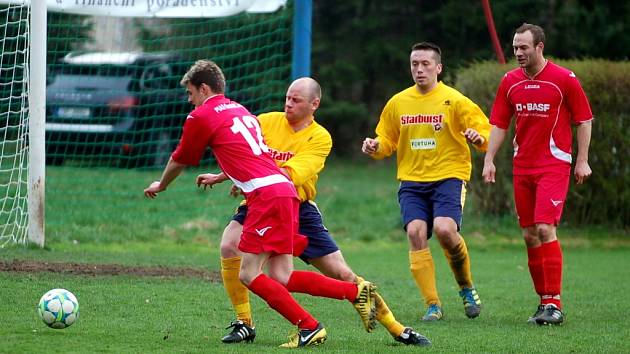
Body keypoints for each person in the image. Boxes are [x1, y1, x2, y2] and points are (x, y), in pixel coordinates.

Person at [143, 60, 377, 348]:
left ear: (204, 89)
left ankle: (309, 326)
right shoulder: (239, 110)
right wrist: (223, 176)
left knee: (248, 273)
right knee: (281, 275)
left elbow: (180, 158)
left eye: (190, 93)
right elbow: (254, 155)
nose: (189, 101)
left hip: (266, 197)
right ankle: (355, 292)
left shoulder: (201, 116)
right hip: (283, 193)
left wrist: (161, 184)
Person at [197, 77, 431, 346]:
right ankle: (244, 322)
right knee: (230, 245)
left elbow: (292, 174)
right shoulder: (266, 121)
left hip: (299, 207)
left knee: (340, 273)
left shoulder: (320, 137)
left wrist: (253, 178)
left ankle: (397, 328)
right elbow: (245, 153)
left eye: (295, 100)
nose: (288, 104)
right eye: (287, 98)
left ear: (314, 104)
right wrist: (223, 175)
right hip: (261, 202)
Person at [361, 42, 490, 322]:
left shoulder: (454, 100)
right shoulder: (398, 102)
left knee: (445, 230)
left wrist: (479, 139)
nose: (419, 69)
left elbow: (485, 131)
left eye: (425, 64)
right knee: (416, 232)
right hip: (411, 180)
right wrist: (375, 147)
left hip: (448, 176)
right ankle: (433, 305)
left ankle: (466, 287)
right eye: (414, 64)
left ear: (438, 68)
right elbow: (386, 140)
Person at [482, 23, 593, 326]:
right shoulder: (510, 82)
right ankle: (543, 302)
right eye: (515, 47)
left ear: (539, 47)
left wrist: (581, 160)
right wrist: (489, 159)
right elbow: (500, 124)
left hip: (554, 164)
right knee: (530, 235)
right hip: (523, 167)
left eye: (523, 47)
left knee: (545, 229)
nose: (517, 52)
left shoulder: (564, 79)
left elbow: (584, 120)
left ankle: (555, 303)